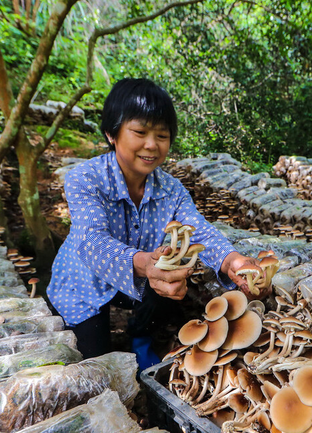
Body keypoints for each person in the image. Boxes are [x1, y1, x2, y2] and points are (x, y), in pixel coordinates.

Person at [48, 78, 264, 367]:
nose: (151, 145)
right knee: (95, 363)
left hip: (139, 274)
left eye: (162, 135)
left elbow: (199, 230)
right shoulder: (85, 179)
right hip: (83, 282)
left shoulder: (171, 189)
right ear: (112, 133)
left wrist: (231, 260)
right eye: (140, 132)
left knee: (171, 284)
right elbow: (92, 241)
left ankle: (140, 335)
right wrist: (143, 263)